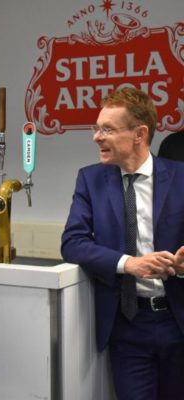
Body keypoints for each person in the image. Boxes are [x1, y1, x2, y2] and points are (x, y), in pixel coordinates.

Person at [61, 87, 184, 400]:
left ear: (139, 134)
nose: (96, 137)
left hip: (178, 321)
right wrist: (128, 263)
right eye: (96, 128)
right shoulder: (90, 179)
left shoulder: (181, 177)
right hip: (127, 326)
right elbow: (72, 242)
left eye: (107, 129)